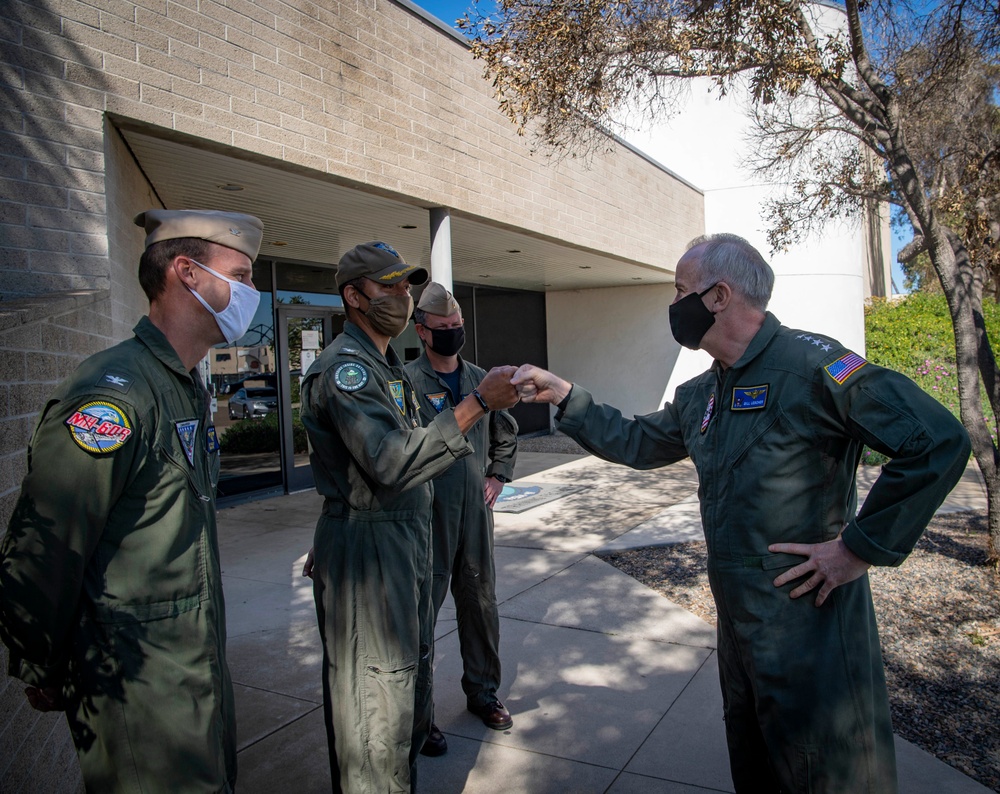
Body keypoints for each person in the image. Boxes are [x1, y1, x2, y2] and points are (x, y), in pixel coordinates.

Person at [511, 233, 971, 793]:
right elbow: (636, 442)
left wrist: (857, 549)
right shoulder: (702, 391)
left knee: (826, 768)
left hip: (812, 627)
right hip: (741, 628)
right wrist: (565, 395)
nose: (673, 305)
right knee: (756, 762)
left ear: (718, 295)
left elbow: (937, 441)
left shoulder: (814, 365)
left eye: (681, 290)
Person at [0, 208, 264, 792]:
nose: (252, 294)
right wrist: (41, 660)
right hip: (139, 691)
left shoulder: (184, 384)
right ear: (187, 273)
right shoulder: (114, 393)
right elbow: (46, 544)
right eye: (241, 276)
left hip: (192, 679)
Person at [299, 242, 520, 793]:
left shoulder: (385, 367)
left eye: (405, 287)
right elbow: (387, 460)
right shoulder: (348, 371)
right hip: (382, 545)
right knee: (377, 707)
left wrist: (496, 470)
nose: (400, 297)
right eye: (390, 287)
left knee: (404, 677)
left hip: (416, 530)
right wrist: (477, 405)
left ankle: (465, 699)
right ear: (354, 297)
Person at [405, 283, 519, 756]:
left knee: (479, 604)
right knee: (420, 616)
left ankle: (483, 693)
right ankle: (421, 715)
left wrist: (497, 474)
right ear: (421, 331)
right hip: (427, 513)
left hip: (473, 511)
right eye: (443, 328)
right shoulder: (405, 380)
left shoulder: (480, 379)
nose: (452, 334)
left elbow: (506, 434)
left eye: (458, 328)